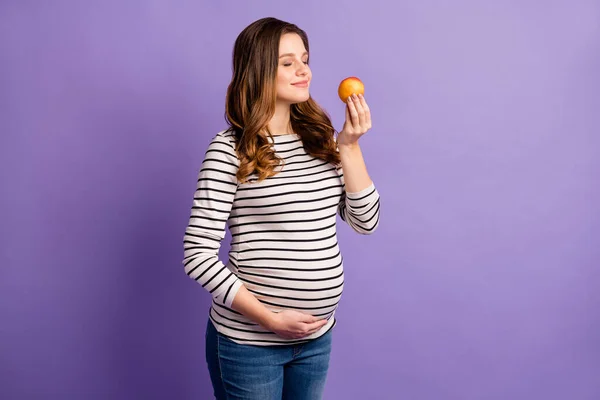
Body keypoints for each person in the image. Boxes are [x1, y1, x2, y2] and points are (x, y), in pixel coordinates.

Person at [182, 16, 380, 400]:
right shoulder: (229, 149)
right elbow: (197, 255)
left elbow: (366, 221)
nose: (303, 70)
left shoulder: (322, 139)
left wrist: (350, 146)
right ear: (258, 72)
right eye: (287, 63)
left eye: (304, 59)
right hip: (249, 343)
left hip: (317, 338)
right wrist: (270, 319)